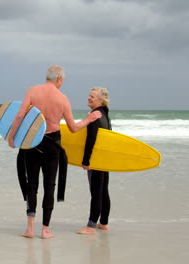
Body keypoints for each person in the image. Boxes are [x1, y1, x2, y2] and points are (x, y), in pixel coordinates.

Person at [9, 65, 102, 239]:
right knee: (49, 185)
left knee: (32, 184)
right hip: (52, 144)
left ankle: (29, 229)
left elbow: (20, 116)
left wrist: (12, 137)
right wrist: (89, 119)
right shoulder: (63, 99)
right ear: (59, 79)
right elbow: (73, 128)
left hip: (32, 142)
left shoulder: (33, 91)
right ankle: (45, 230)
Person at [77, 87, 112, 235]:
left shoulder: (94, 116)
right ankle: (103, 223)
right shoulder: (105, 114)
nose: (89, 98)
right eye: (89, 95)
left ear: (100, 100)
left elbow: (91, 139)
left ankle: (91, 226)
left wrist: (85, 160)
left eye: (92, 97)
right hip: (104, 158)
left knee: (96, 192)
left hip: (96, 159)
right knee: (103, 191)